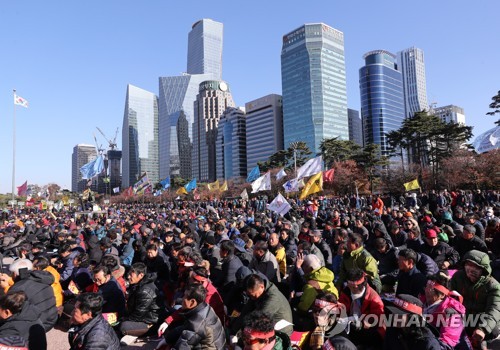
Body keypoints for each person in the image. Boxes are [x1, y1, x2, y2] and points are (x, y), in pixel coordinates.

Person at [450, 250, 500, 349]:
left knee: (493, 330)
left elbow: (494, 310)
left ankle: (483, 341)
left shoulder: (493, 286)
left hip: (480, 320)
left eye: (474, 271)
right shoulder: (458, 277)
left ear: (483, 270)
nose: (470, 274)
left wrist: (483, 329)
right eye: (468, 270)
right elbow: (450, 298)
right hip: (462, 317)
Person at [158, 284, 225, 349]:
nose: (182, 298)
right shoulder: (205, 307)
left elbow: (183, 346)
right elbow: (185, 328)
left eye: (184, 296)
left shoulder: (196, 324)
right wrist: (167, 339)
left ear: (192, 302)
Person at [338, 268, 385, 348]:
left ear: (356, 286)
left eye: (350, 285)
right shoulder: (346, 292)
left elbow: (377, 319)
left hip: (368, 329)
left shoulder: (373, 298)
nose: (347, 286)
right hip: (350, 325)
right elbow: (340, 308)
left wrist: (361, 323)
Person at [8, 259, 57, 332]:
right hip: (51, 319)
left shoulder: (19, 287)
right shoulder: (42, 279)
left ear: (15, 273)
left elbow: (8, 310)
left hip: (35, 324)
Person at [118, 263, 163, 342]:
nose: (128, 277)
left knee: (123, 326)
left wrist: (124, 319)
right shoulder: (139, 284)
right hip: (142, 316)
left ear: (141, 275)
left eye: (131, 275)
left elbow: (138, 315)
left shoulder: (145, 290)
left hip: (149, 322)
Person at [423, 273, 468, 349]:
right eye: (427, 286)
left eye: (431, 288)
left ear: (442, 295)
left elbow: (447, 344)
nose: (426, 290)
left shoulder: (453, 314)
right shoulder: (422, 303)